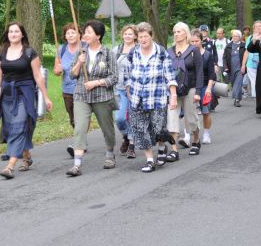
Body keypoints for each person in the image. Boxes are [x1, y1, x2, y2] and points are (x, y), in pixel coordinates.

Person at [0, 22, 53, 179]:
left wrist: (46, 97)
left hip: (25, 94)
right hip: (7, 95)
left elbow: (38, 76)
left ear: (22, 35)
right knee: (12, 127)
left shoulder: (29, 53)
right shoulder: (2, 53)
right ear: (8, 34)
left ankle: (10, 166)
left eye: (16, 31)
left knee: (19, 127)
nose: (13, 34)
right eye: (11, 31)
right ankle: (26, 157)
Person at [66, 20, 118, 177]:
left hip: (102, 96)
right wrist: (78, 64)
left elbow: (115, 77)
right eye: (85, 32)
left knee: (107, 129)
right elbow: (72, 75)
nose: (85, 35)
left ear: (98, 35)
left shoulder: (108, 53)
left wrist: (97, 82)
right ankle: (77, 164)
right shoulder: (81, 52)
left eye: (89, 32)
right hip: (82, 96)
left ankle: (110, 152)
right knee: (80, 127)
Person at [124, 22, 178, 173]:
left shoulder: (161, 52)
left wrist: (173, 95)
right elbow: (128, 75)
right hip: (137, 98)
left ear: (151, 36)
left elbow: (170, 76)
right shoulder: (133, 53)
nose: (142, 39)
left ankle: (162, 147)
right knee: (140, 129)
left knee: (158, 128)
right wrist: (129, 90)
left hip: (157, 98)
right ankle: (149, 160)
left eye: (145, 36)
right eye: (140, 37)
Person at [167, 22, 203, 159]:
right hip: (173, 90)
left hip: (190, 88)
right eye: (174, 32)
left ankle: (195, 141)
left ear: (186, 33)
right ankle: (174, 150)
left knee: (191, 118)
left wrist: (198, 92)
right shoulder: (169, 51)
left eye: (179, 31)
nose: (176, 34)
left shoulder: (193, 50)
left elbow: (200, 72)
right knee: (172, 117)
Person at [52, 23, 85, 158]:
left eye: (73, 32)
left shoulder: (85, 47)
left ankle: (78, 144)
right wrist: (57, 70)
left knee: (80, 118)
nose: (70, 35)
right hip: (67, 89)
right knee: (73, 119)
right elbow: (56, 70)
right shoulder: (62, 49)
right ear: (65, 36)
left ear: (79, 34)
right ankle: (81, 140)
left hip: (82, 88)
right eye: (68, 33)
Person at [112, 24, 137, 158]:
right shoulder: (116, 50)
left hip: (133, 89)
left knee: (131, 117)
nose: (127, 36)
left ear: (135, 36)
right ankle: (126, 136)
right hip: (117, 88)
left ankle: (132, 145)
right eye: (125, 34)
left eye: (130, 34)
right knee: (119, 118)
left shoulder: (138, 50)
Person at [190, 29, 216, 144]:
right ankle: (188, 134)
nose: (195, 43)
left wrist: (209, 89)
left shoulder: (207, 55)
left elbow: (212, 74)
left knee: (205, 111)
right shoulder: (188, 55)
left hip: (205, 85)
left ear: (201, 41)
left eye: (197, 41)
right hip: (191, 86)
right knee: (189, 112)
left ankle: (206, 134)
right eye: (192, 41)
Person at [223, 29, 246, 107]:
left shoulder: (243, 46)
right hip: (231, 68)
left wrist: (244, 66)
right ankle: (237, 98)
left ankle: (236, 99)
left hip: (240, 68)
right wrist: (225, 67)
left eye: (237, 36)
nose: (235, 37)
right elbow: (224, 57)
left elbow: (246, 57)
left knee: (238, 82)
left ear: (240, 37)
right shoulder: (228, 46)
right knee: (234, 83)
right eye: (234, 36)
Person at [242, 20, 261, 99]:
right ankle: (257, 96)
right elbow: (246, 52)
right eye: (256, 26)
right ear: (253, 29)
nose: (258, 28)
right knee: (253, 81)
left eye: (260, 26)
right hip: (251, 64)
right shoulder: (250, 38)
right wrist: (243, 65)